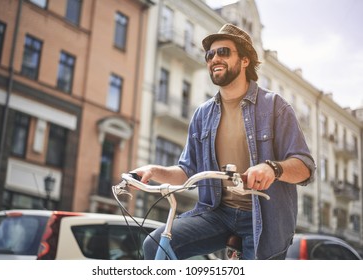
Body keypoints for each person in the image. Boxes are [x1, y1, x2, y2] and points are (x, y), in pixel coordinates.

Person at [134, 23, 316, 260]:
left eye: (223, 52)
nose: (214, 58)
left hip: (264, 219)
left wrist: (273, 168)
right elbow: (188, 171)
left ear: (244, 60)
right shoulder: (202, 114)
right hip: (217, 213)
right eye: (210, 54)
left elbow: (305, 168)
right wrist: (154, 170)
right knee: (155, 245)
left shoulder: (275, 107)